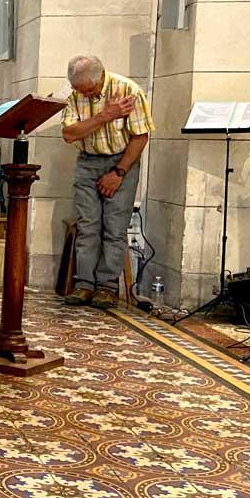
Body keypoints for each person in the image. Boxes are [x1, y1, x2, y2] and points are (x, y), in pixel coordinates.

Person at [61, 55, 153, 309]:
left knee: (114, 227)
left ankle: (107, 286)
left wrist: (118, 173)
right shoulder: (75, 95)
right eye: (79, 90)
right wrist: (105, 115)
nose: (85, 95)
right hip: (87, 161)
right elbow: (69, 134)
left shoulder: (128, 91)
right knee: (88, 225)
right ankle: (84, 284)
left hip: (122, 161)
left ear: (101, 76)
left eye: (89, 90)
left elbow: (140, 137)